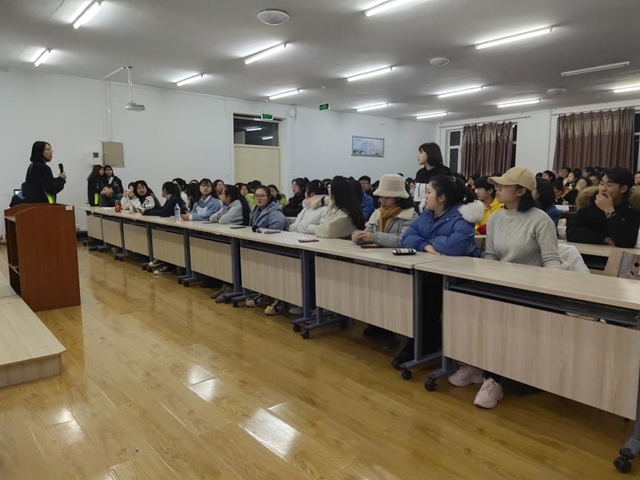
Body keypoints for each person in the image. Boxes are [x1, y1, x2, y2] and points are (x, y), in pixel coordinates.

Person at [448, 167, 562, 409]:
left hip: (528, 290)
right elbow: (490, 255)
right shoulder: (496, 218)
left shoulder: (540, 219)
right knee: (460, 302)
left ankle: (493, 379)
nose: (496, 189)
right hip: (500, 285)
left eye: (502, 186)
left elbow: (552, 260)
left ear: (520, 191)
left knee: (500, 321)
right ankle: (476, 363)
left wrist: (548, 289)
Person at [393, 176, 482, 368]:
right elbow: (407, 237)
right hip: (431, 269)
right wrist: (426, 246)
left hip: (458, 276)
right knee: (414, 287)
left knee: (428, 291)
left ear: (441, 198)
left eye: (428, 192)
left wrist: (429, 241)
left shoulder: (462, 217)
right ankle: (422, 341)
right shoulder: (427, 214)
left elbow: (455, 247)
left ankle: (421, 343)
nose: (424, 197)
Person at [566, 167, 640, 248]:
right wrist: (604, 239)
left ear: (623, 189)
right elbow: (571, 232)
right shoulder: (589, 201)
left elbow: (627, 241)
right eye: (601, 184)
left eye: (609, 185)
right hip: (590, 251)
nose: (603, 189)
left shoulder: (633, 206)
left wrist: (609, 211)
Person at [352, 174, 418, 248]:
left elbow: (404, 240)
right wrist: (359, 236)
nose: (382, 201)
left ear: (398, 198)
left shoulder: (410, 215)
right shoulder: (378, 212)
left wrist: (375, 237)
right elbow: (368, 230)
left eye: (387, 198)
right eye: (380, 197)